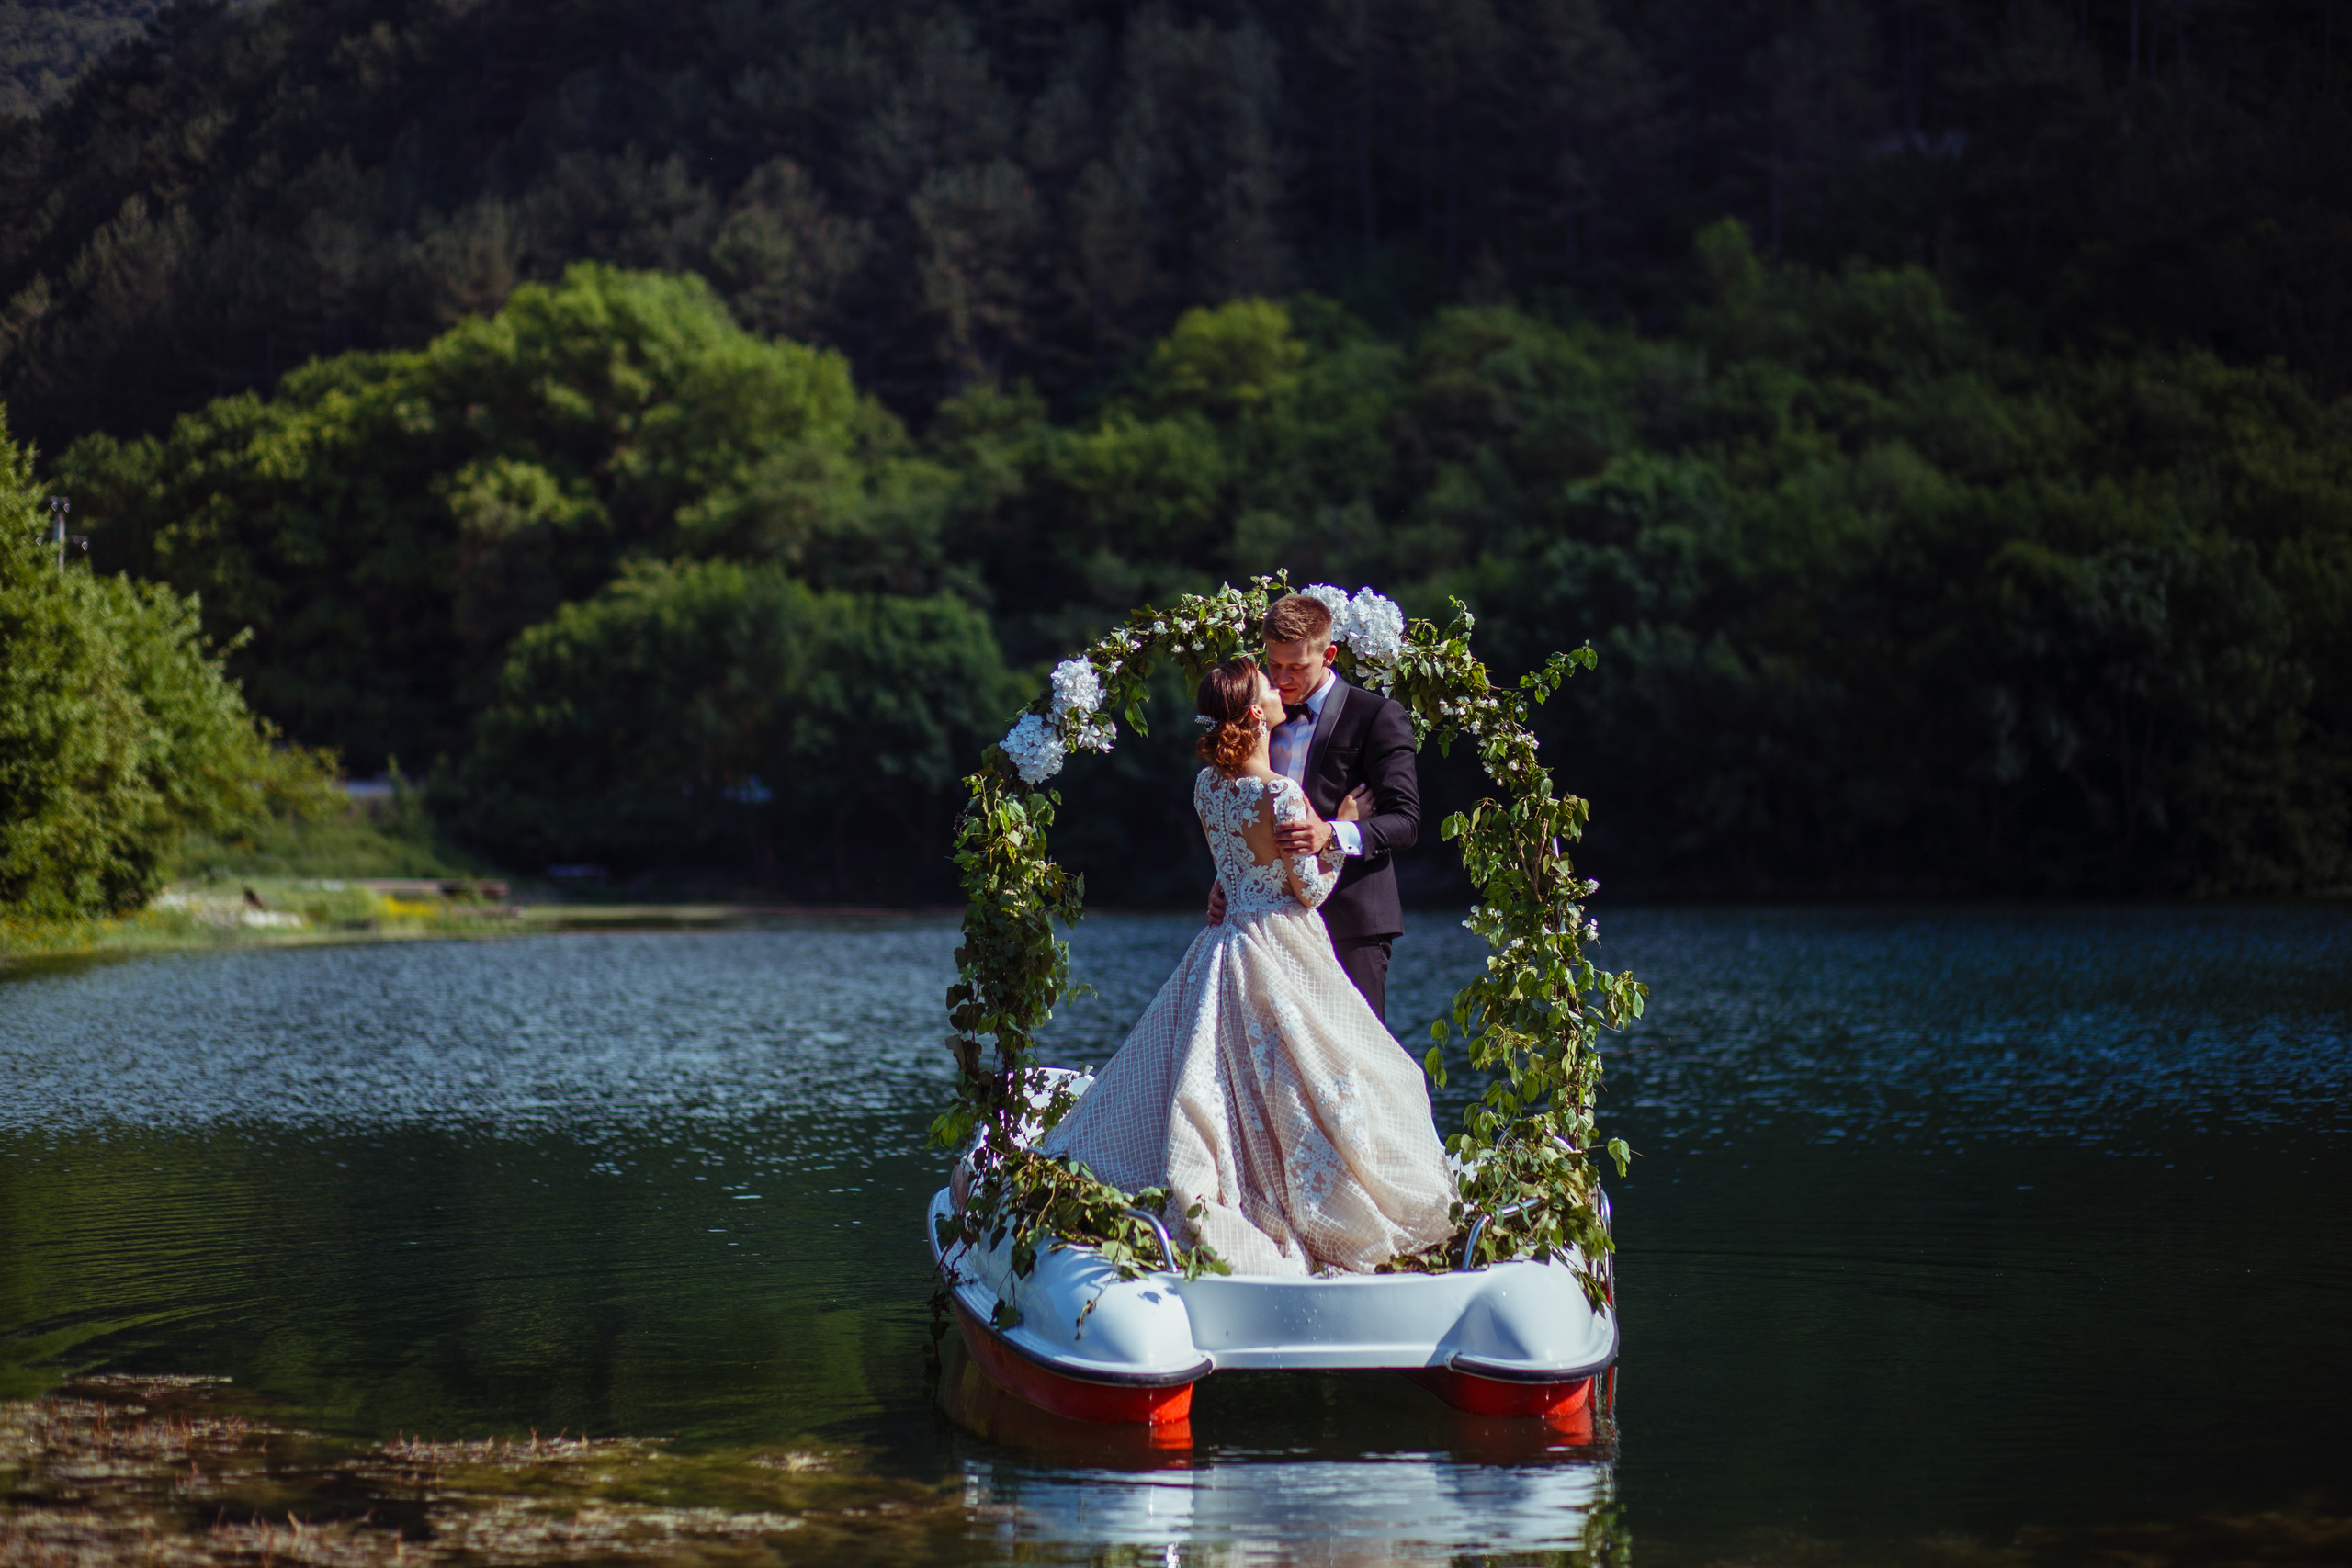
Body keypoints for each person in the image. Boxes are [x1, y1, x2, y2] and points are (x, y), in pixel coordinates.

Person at [1035, 656, 1453, 1277]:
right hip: (1283, 943)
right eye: (1267, 685)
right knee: (1318, 1074)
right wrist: (1347, 825)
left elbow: (1233, 863)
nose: (1280, 687)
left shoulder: (1205, 786)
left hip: (1225, 944)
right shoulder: (1282, 794)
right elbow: (1309, 888)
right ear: (1256, 714)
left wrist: (1234, 881)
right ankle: (1313, 1207)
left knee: (1224, 1076)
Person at [1206, 592, 1419, 1021]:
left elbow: (1407, 820)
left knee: (1357, 1062)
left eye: (1297, 667)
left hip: (1352, 920)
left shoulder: (1376, 715)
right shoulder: (1260, 716)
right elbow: (1252, 814)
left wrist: (1334, 833)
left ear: (1329, 654)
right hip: (1271, 930)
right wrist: (1232, 876)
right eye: (1274, 665)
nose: (1282, 680)